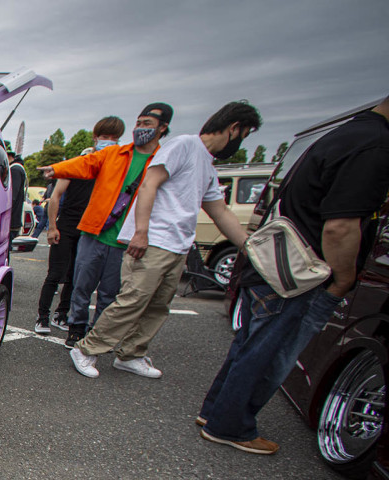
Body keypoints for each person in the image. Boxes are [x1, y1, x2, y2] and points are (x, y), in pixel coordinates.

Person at [198, 95, 389, 455]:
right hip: (300, 275)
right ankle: (230, 425)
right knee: (270, 354)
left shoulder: (346, 133)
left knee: (250, 347)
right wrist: (344, 277)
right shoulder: (374, 146)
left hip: (275, 264)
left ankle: (216, 413)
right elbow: (340, 228)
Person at [69, 101, 262, 381]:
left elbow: (219, 211)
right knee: (132, 300)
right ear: (234, 128)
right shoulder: (184, 145)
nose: (242, 140)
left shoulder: (207, 164)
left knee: (158, 305)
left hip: (178, 245)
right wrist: (141, 231)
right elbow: (149, 183)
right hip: (154, 241)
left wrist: (250, 246)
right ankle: (86, 349)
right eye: (244, 134)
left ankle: (131, 354)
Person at [42, 103, 171, 348]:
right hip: (94, 231)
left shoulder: (162, 160)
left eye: (148, 124)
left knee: (111, 293)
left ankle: (98, 333)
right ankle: (76, 327)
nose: (141, 128)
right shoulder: (115, 155)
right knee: (81, 283)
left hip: (127, 238)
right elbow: (83, 164)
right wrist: (56, 169)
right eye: (139, 123)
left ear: (163, 128)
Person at [35, 116, 126, 335]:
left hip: (90, 229)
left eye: (114, 138)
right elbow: (55, 197)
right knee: (55, 274)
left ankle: (62, 315)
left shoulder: (112, 169)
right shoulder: (78, 166)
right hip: (66, 226)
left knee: (77, 277)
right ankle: (42, 317)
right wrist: (52, 228)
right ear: (96, 139)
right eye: (105, 137)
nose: (109, 142)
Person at [7, 151, 28, 250]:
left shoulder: (15, 170)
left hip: (11, 220)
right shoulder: (17, 169)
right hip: (12, 219)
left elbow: (12, 196)